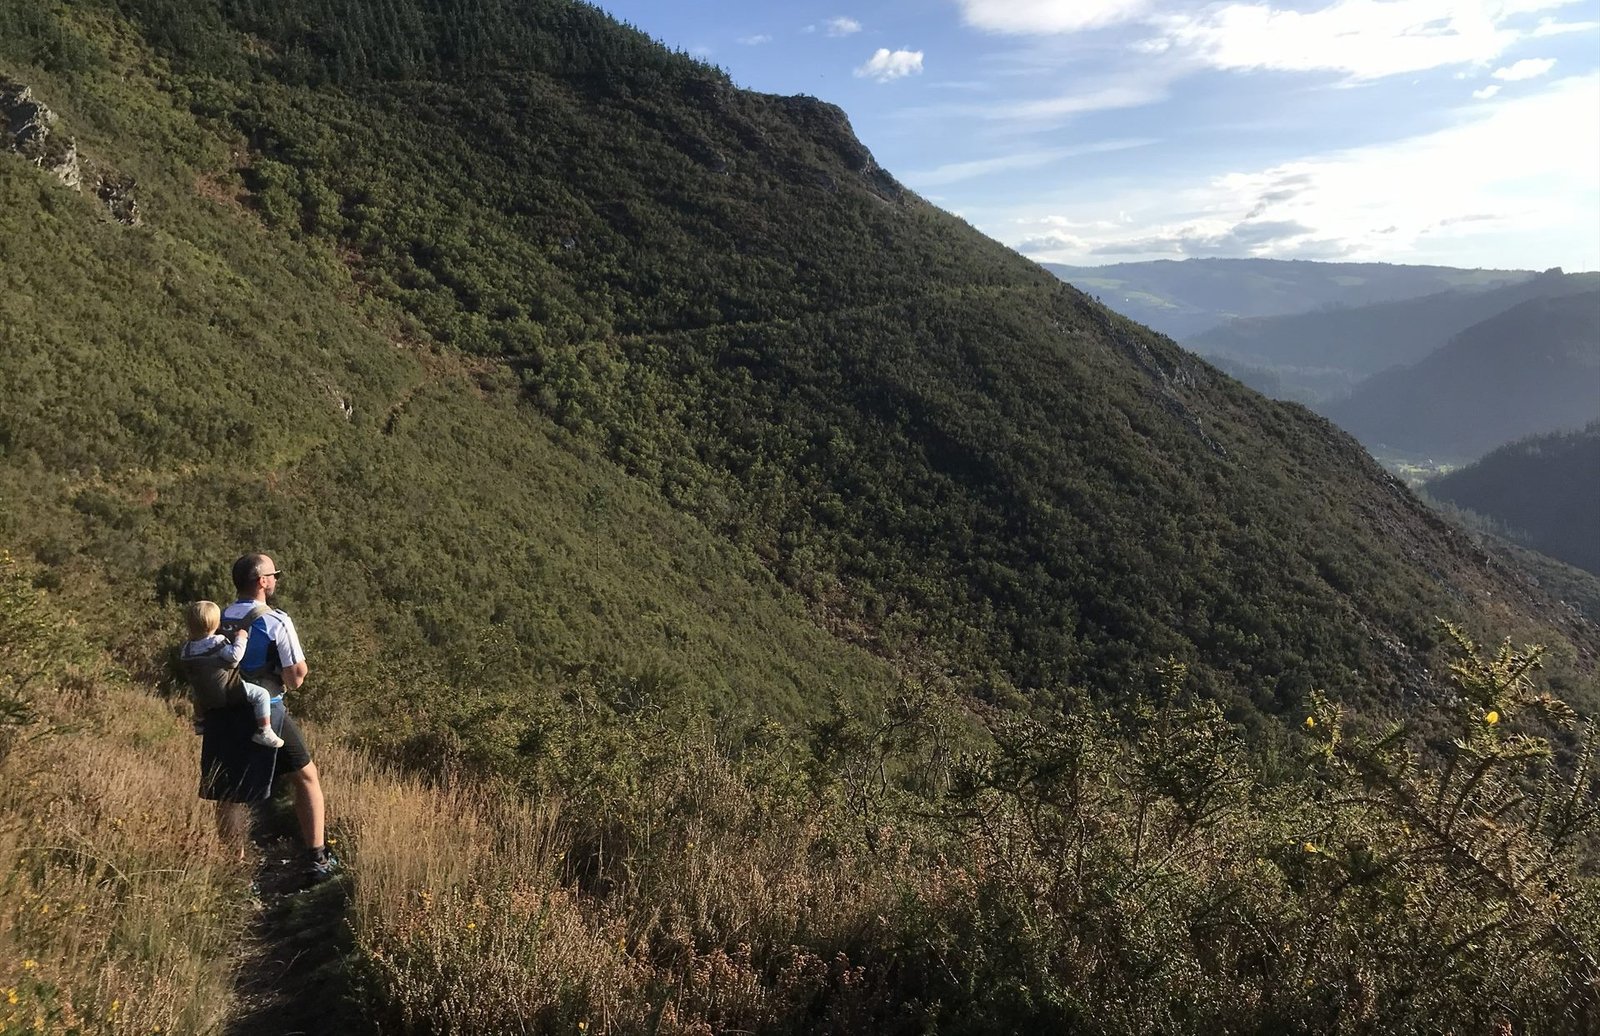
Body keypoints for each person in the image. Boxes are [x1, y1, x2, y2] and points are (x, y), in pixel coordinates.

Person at [206, 553, 338, 881]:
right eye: (273, 574)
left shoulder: (217, 619)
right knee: (306, 777)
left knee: (229, 794)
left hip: (223, 712)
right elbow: (296, 676)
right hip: (269, 711)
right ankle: (316, 859)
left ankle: (234, 872)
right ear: (262, 582)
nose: (276, 578)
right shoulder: (275, 620)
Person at [178, 600, 285, 749]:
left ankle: (200, 722)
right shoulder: (217, 642)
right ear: (216, 624)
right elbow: (235, 656)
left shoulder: (187, 649)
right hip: (228, 691)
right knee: (262, 695)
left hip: (205, 694)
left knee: (197, 694)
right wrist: (241, 638)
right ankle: (265, 731)